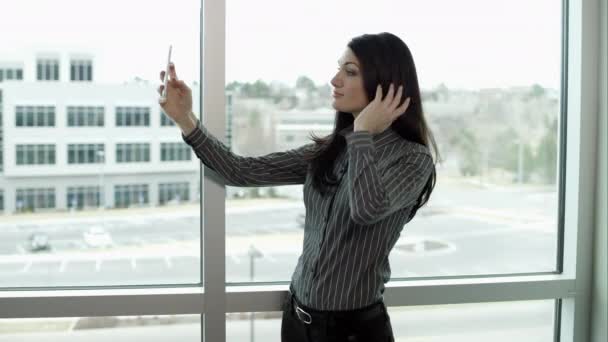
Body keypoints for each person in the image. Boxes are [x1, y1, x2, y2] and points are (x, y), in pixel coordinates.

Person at [158, 31, 438, 342]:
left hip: (353, 331)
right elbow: (240, 171)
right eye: (338, 68)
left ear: (385, 85)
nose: (335, 80)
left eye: (350, 72)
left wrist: (362, 135)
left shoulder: (412, 158)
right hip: (296, 321)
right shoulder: (331, 150)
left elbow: (366, 209)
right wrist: (185, 119)